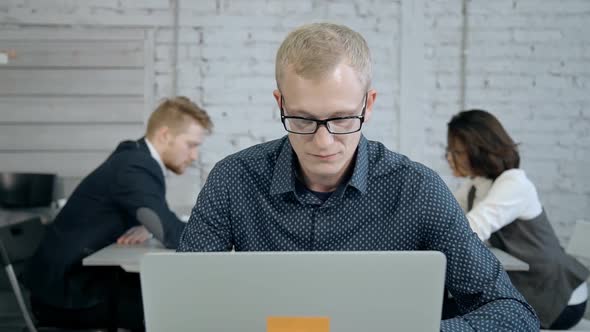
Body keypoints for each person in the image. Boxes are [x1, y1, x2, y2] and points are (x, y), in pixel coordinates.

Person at [177, 23, 539, 331]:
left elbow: (513, 315)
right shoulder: (233, 179)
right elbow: (184, 304)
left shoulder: (417, 190)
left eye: (341, 119)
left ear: (368, 104)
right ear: (281, 104)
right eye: (302, 119)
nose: (323, 142)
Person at [24, 96, 212, 331]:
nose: (194, 156)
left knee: (164, 292)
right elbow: (171, 233)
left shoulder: (133, 156)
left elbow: (157, 221)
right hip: (68, 295)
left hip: (71, 282)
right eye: (191, 145)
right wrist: (222, 237)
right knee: (171, 301)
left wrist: (148, 224)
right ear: (165, 135)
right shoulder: (136, 165)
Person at [446, 109, 589, 330]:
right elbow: (446, 217)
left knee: (451, 310)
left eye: (457, 151)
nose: (449, 157)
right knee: (450, 307)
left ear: (479, 150)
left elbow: (473, 228)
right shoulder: (476, 184)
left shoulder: (514, 183)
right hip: (526, 287)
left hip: (558, 298)